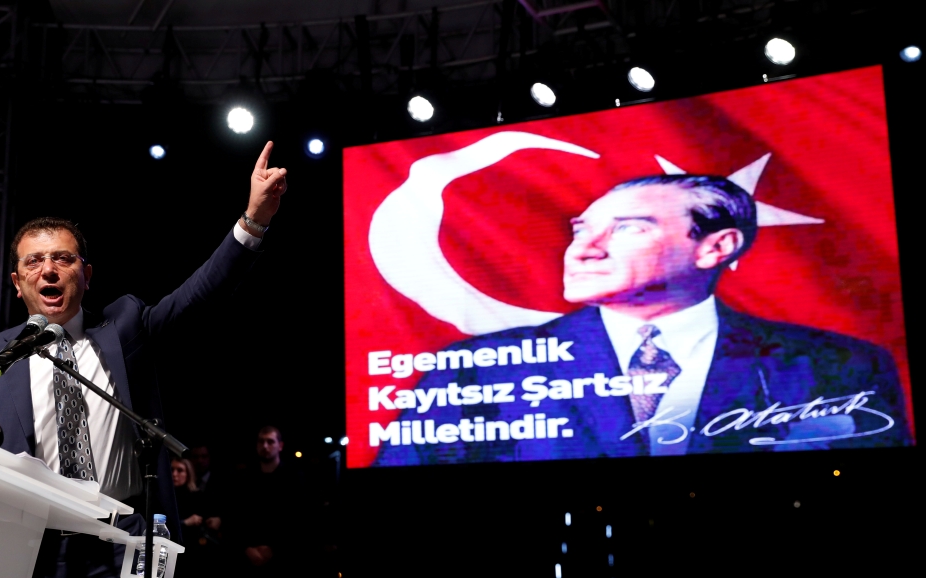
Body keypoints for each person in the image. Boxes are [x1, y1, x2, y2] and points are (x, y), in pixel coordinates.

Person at [0, 141, 287, 578]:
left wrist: (253, 220)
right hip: (31, 555)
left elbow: (199, 296)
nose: (48, 270)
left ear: (85, 276)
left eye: (63, 259)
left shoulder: (126, 326)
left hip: (116, 547)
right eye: (34, 262)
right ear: (17, 281)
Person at [373, 174, 911, 465]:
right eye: (582, 228)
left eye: (628, 229)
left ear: (715, 246)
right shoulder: (477, 369)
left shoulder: (837, 366)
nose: (584, 249)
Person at [225, 425, 313, 578]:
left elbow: (299, 520)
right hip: (248, 560)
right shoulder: (244, 478)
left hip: (283, 563)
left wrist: (274, 548)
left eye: (270, 441)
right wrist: (246, 548)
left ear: (280, 445)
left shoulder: (294, 478)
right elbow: (235, 517)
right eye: (261, 441)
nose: (265, 446)